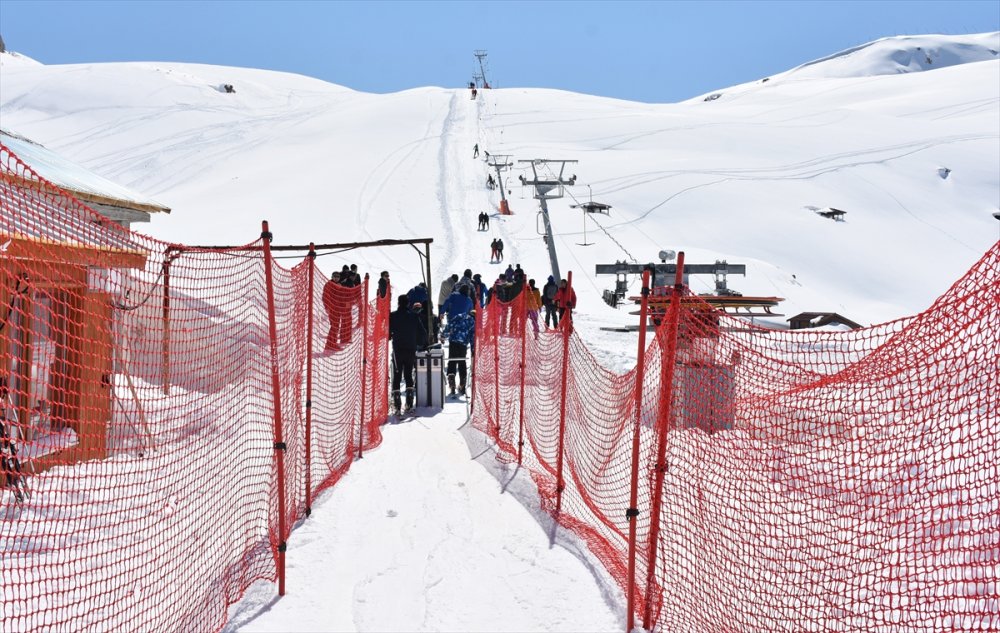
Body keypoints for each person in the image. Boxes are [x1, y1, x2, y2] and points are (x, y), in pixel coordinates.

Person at [389, 295, 426, 415]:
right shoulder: (414, 316)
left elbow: (388, 331)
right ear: (408, 303)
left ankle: (397, 404)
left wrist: (391, 335)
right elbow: (422, 332)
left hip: (398, 349)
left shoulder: (393, 316)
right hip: (411, 349)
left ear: (399, 303)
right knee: (409, 374)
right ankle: (409, 402)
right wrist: (419, 343)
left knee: (397, 375)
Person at [440, 285, 475, 397]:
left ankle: (452, 384)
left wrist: (443, 336)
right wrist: (473, 348)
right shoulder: (471, 318)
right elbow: (472, 336)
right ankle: (462, 384)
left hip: (453, 340)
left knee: (452, 361)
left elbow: (449, 326)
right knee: (462, 362)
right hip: (463, 343)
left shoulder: (457, 313)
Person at [322, 270, 345, 351]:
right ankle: (330, 345)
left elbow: (342, 297)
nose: (336, 278)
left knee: (336, 327)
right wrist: (327, 307)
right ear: (332, 277)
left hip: (338, 309)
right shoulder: (328, 284)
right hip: (332, 309)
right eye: (334, 276)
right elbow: (325, 297)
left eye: (338, 277)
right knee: (334, 327)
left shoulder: (339, 285)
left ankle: (332, 344)